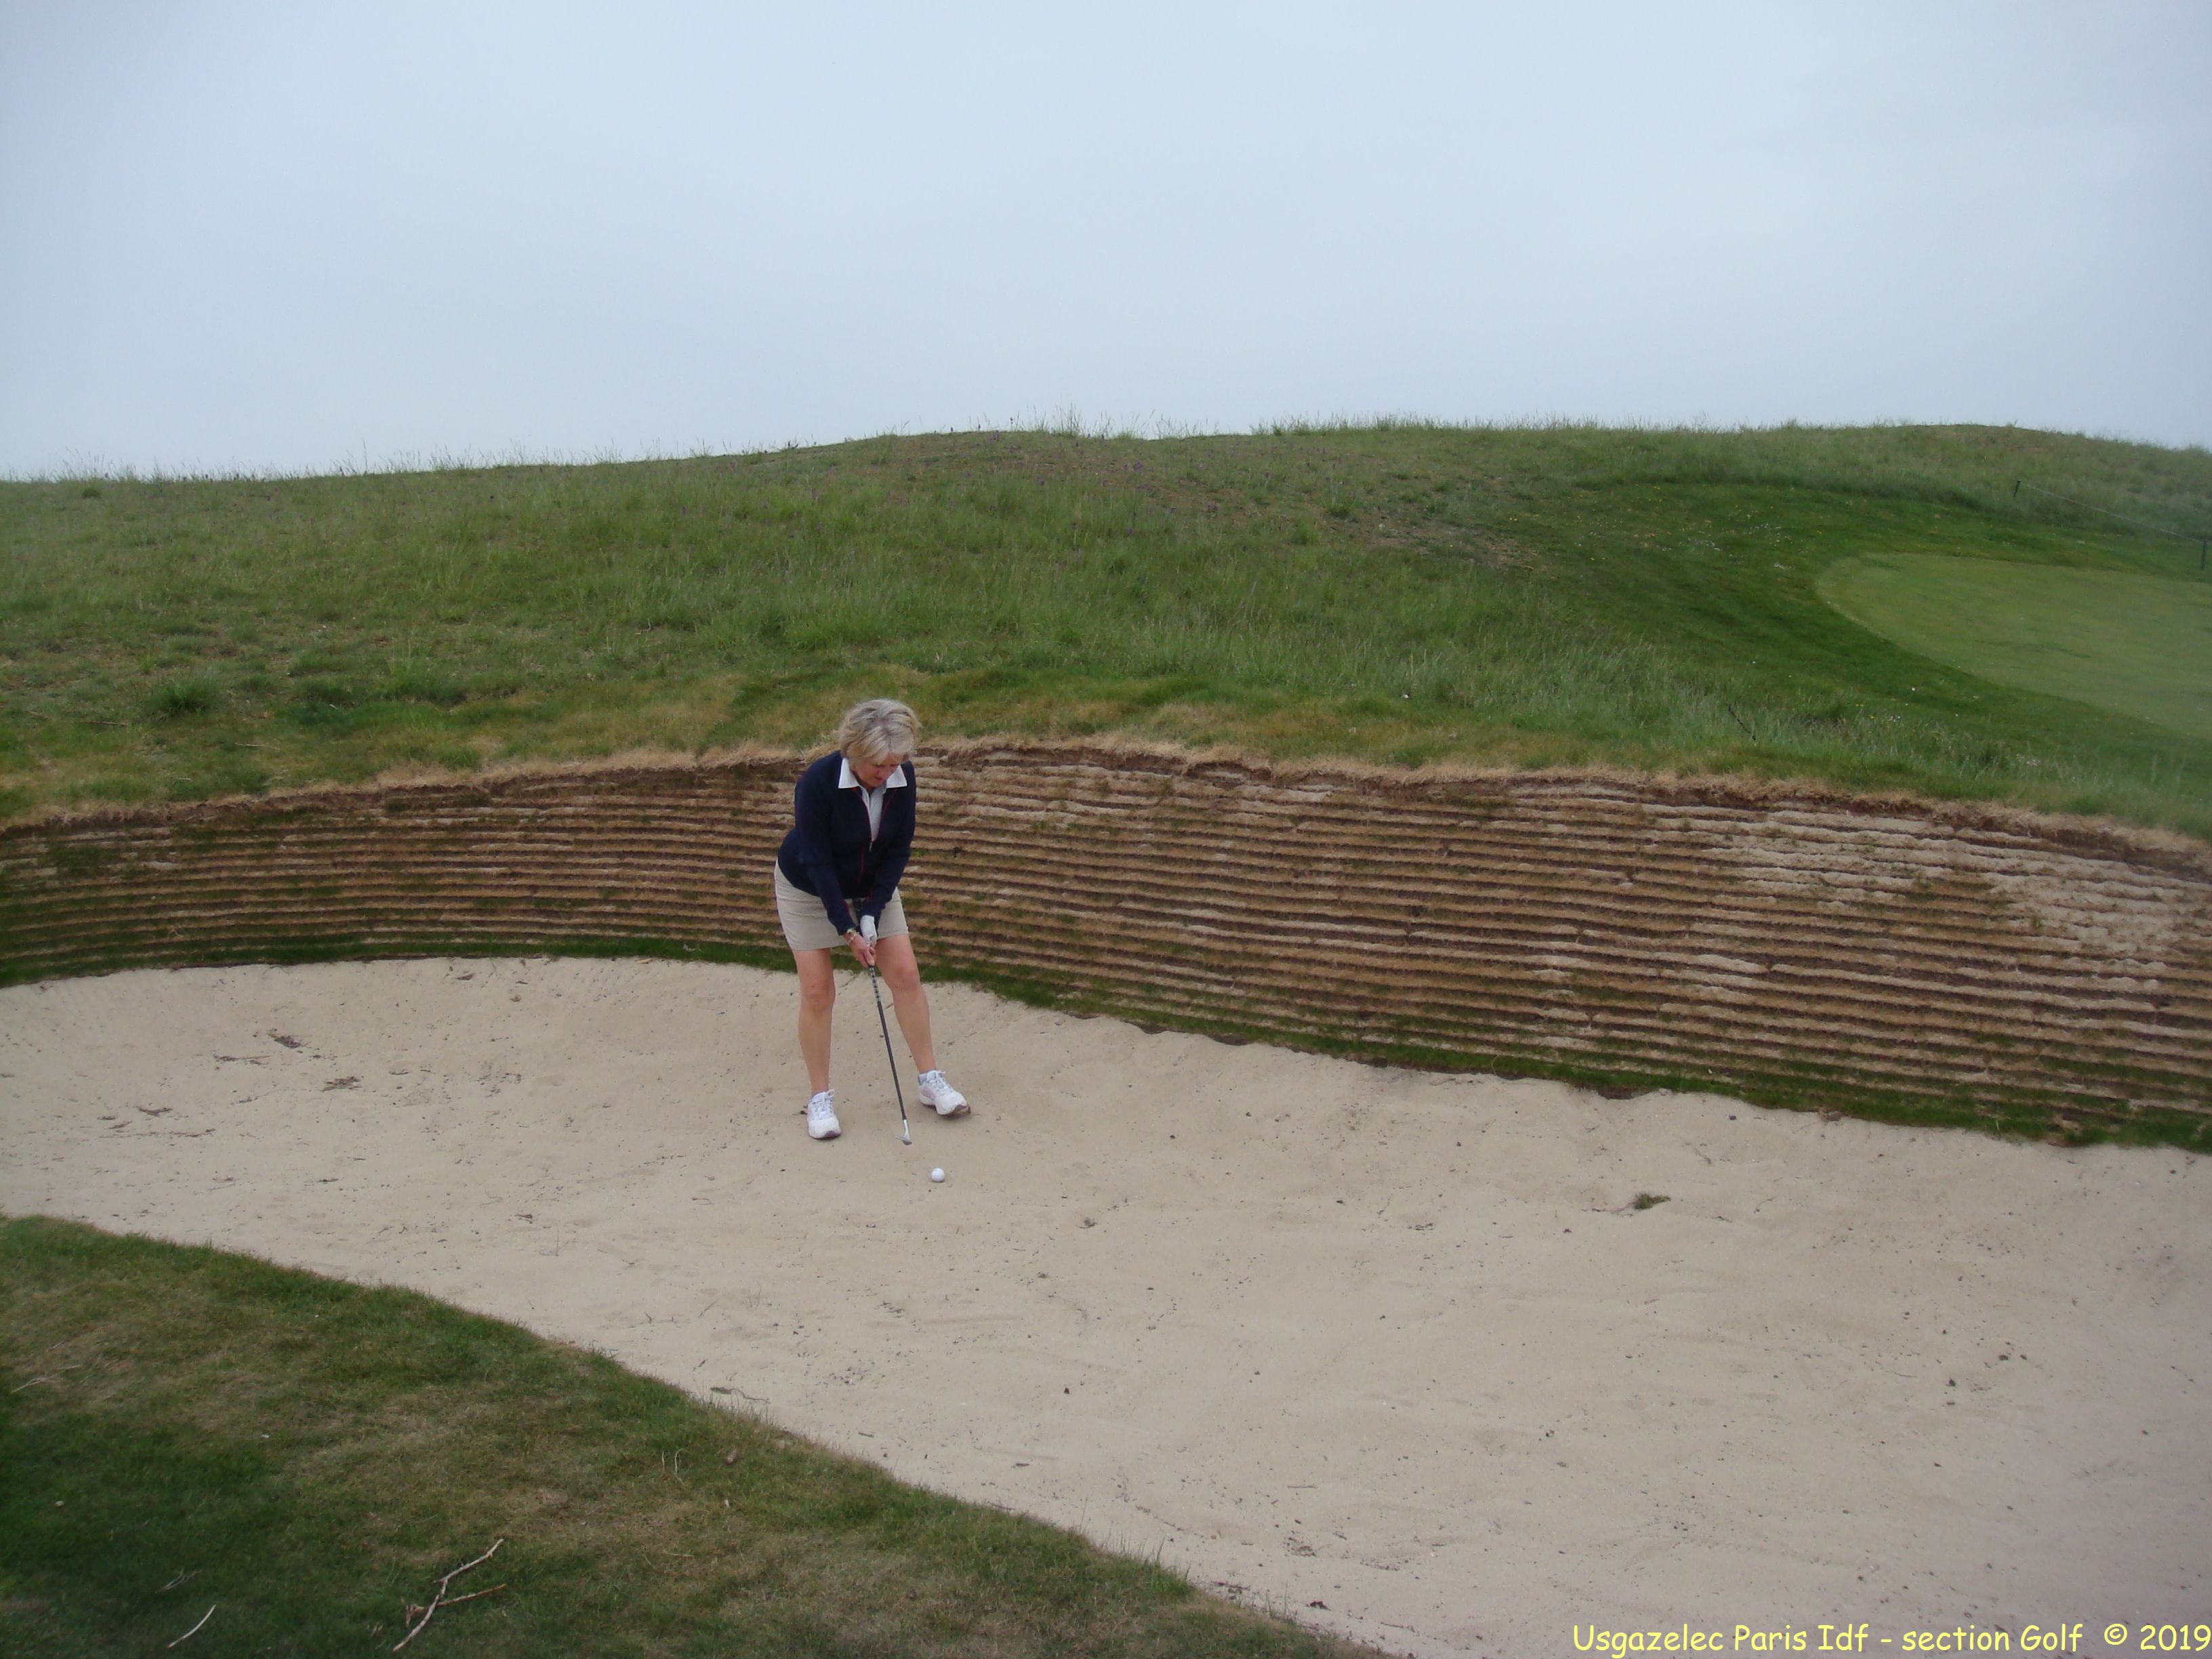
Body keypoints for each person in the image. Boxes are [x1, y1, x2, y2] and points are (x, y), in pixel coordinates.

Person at [772, 697, 968, 1141]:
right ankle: (820, 1098)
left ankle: (930, 1080)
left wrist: (872, 914)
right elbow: (817, 860)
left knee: (906, 974)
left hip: (872, 883)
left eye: (896, 763)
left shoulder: (902, 777)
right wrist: (847, 928)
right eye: (879, 765)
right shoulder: (817, 783)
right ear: (854, 752)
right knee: (818, 991)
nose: (888, 773)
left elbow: (898, 850)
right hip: (809, 887)